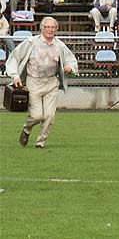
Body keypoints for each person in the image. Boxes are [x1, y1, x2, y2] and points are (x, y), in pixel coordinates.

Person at [9, 17, 78, 149]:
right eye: (47, 27)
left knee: (49, 116)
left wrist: (70, 68)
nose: (50, 30)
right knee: (36, 115)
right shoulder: (31, 43)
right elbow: (14, 58)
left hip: (51, 82)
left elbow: (71, 60)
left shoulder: (60, 46)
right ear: (42, 28)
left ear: (56, 29)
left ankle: (41, 142)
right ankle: (27, 129)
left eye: (53, 27)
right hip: (33, 82)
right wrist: (15, 76)